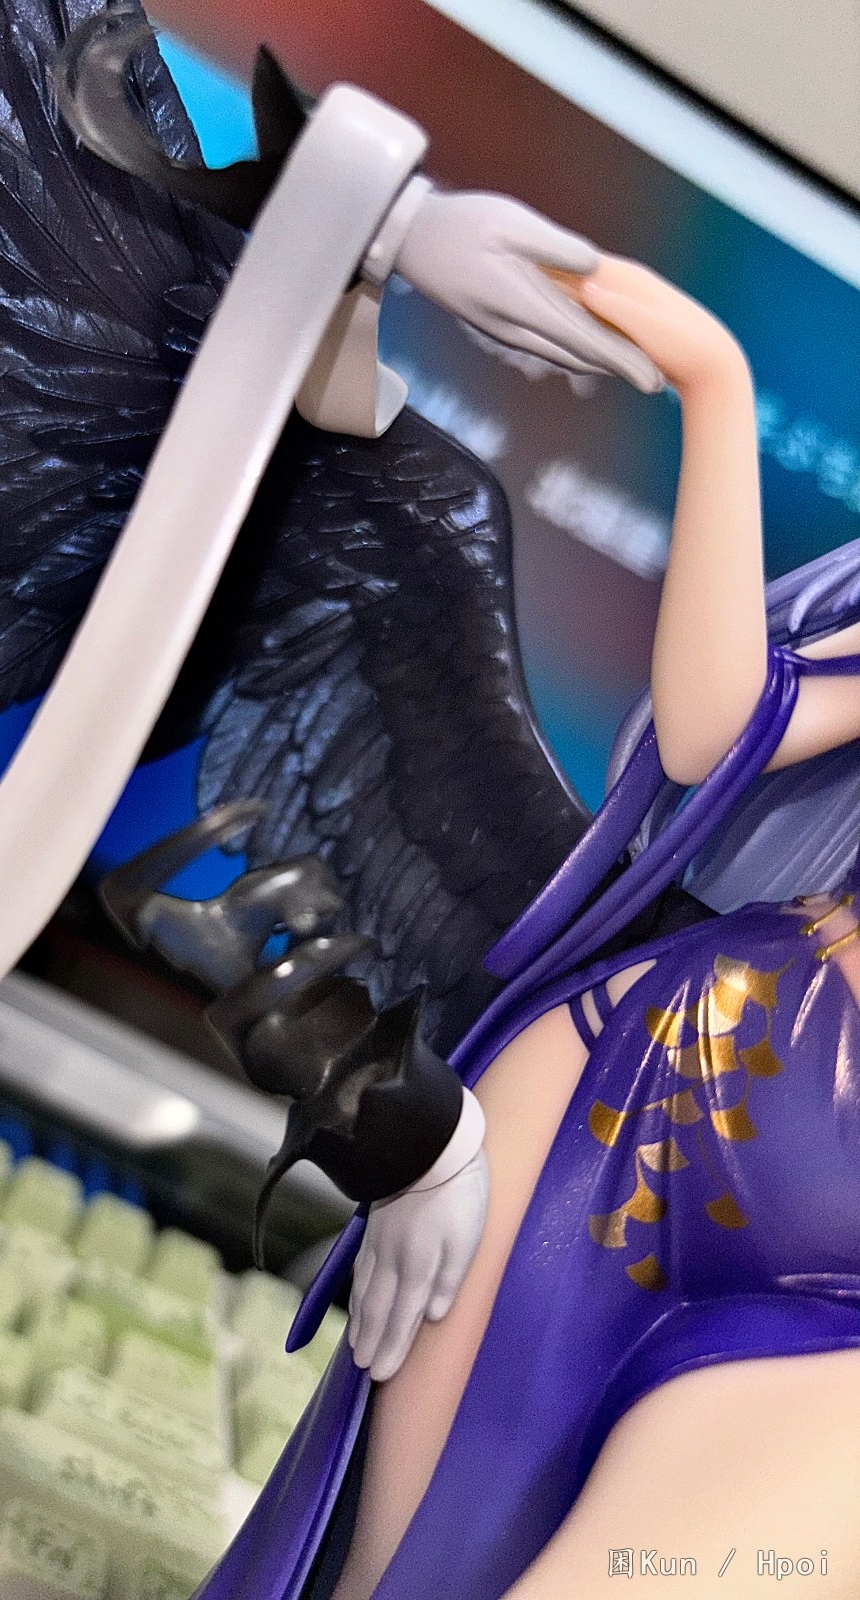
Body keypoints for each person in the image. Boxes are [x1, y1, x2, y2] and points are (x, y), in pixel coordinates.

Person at [198, 258, 860, 1600]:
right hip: (674, 1079)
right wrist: (715, 385)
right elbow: (718, 726)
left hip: (803, 1182)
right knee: (420, 1561)